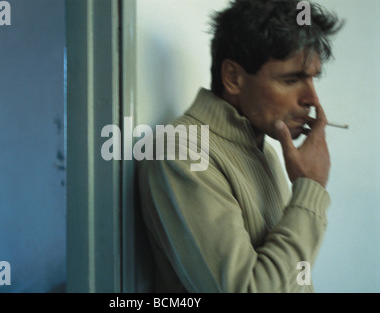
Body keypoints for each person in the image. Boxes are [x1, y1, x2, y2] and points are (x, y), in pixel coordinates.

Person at [138, 0, 343, 292]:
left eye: (312, 79)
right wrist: (311, 186)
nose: (313, 99)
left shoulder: (266, 152)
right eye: (292, 79)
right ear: (233, 77)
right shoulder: (182, 153)